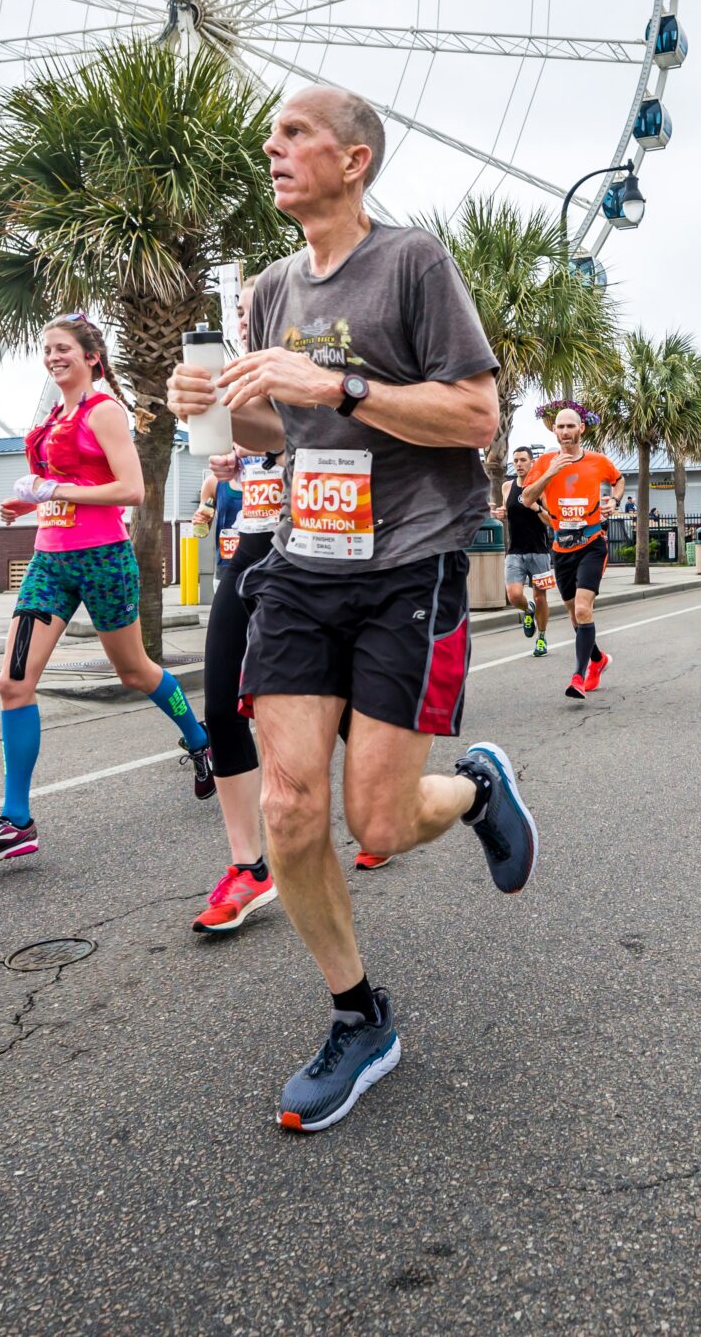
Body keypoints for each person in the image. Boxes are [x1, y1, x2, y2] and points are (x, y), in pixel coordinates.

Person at [166, 84, 536, 1134]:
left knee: (377, 820)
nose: (272, 151)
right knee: (289, 805)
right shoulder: (271, 287)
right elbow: (280, 435)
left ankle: (473, 788)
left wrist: (341, 387)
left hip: (406, 560)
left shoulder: (412, 262)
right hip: (301, 560)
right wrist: (215, 408)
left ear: (355, 159)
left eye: (293, 135)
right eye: (268, 138)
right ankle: (358, 1014)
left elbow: (471, 414)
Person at [0, 316, 212, 869]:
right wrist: (31, 503)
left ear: (92, 356)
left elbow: (131, 490)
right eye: (46, 350)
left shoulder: (105, 412)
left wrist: (52, 489)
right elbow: (60, 491)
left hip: (103, 560)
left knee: (136, 672)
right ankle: (16, 821)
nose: (52, 357)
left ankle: (199, 736)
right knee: (13, 682)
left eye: (63, 348)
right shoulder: (51, 419)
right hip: (50, 562)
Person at [187, 443, 286, 930]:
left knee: (335, 703)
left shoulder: (335, 373)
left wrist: (283, 449)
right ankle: (250, 868)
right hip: (251, 547)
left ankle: (381, 812)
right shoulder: (250, 383)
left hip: (319, 547)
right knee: (223, 708)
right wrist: (236, 461)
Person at [520, 402, 623, 699]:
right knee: (574, 615)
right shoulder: (545, 463)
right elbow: (527, 498)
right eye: (560, 427)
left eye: (570, 426)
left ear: (582, 429)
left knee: (582, 608)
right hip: (561, 547)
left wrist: (613, 500)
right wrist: (550, 472)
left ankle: (579, 676)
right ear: (554, 431)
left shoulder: (598, 460)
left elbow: (618, 481)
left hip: (591, 543)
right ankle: (598, 659)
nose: (565, 432)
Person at [500, 444, 555, 661]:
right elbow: (510, 513)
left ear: (532, 462)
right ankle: (527, 610)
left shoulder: (540, 488)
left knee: (540, 597)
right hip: (515, 551)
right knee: (514, 596)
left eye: (523, 460)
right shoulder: (507, 487)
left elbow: (552, 521)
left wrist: (537, 508)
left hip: (538, 551)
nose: (519, 464)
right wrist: (501, 514)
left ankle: (541, 637)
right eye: (516, 461)